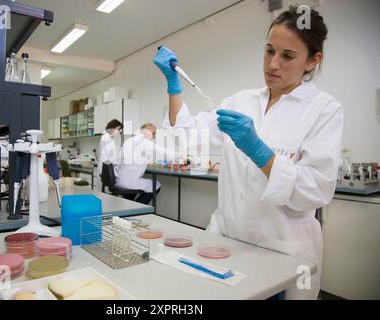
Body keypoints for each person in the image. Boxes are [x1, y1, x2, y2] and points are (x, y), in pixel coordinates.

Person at [154, 6, 343, 300]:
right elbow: (187, 136)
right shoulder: (241, 101)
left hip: (283, 255)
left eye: (287, 56)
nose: (273, 64)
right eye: (269, 51)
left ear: (312, 61)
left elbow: (315, 191)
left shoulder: (324, 109)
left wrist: (259, 151)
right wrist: (173, 85)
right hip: (227, 245)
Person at [115, 123, 175, 204]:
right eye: (153, 133)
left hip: (118, 180)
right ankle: (136, 209)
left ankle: (129, 205)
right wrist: (184, 158)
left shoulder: (128, 141)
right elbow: (164, 152)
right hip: (128, 181)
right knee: (156, 185)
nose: (154, 136)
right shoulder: (144, 142)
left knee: (138, 187)